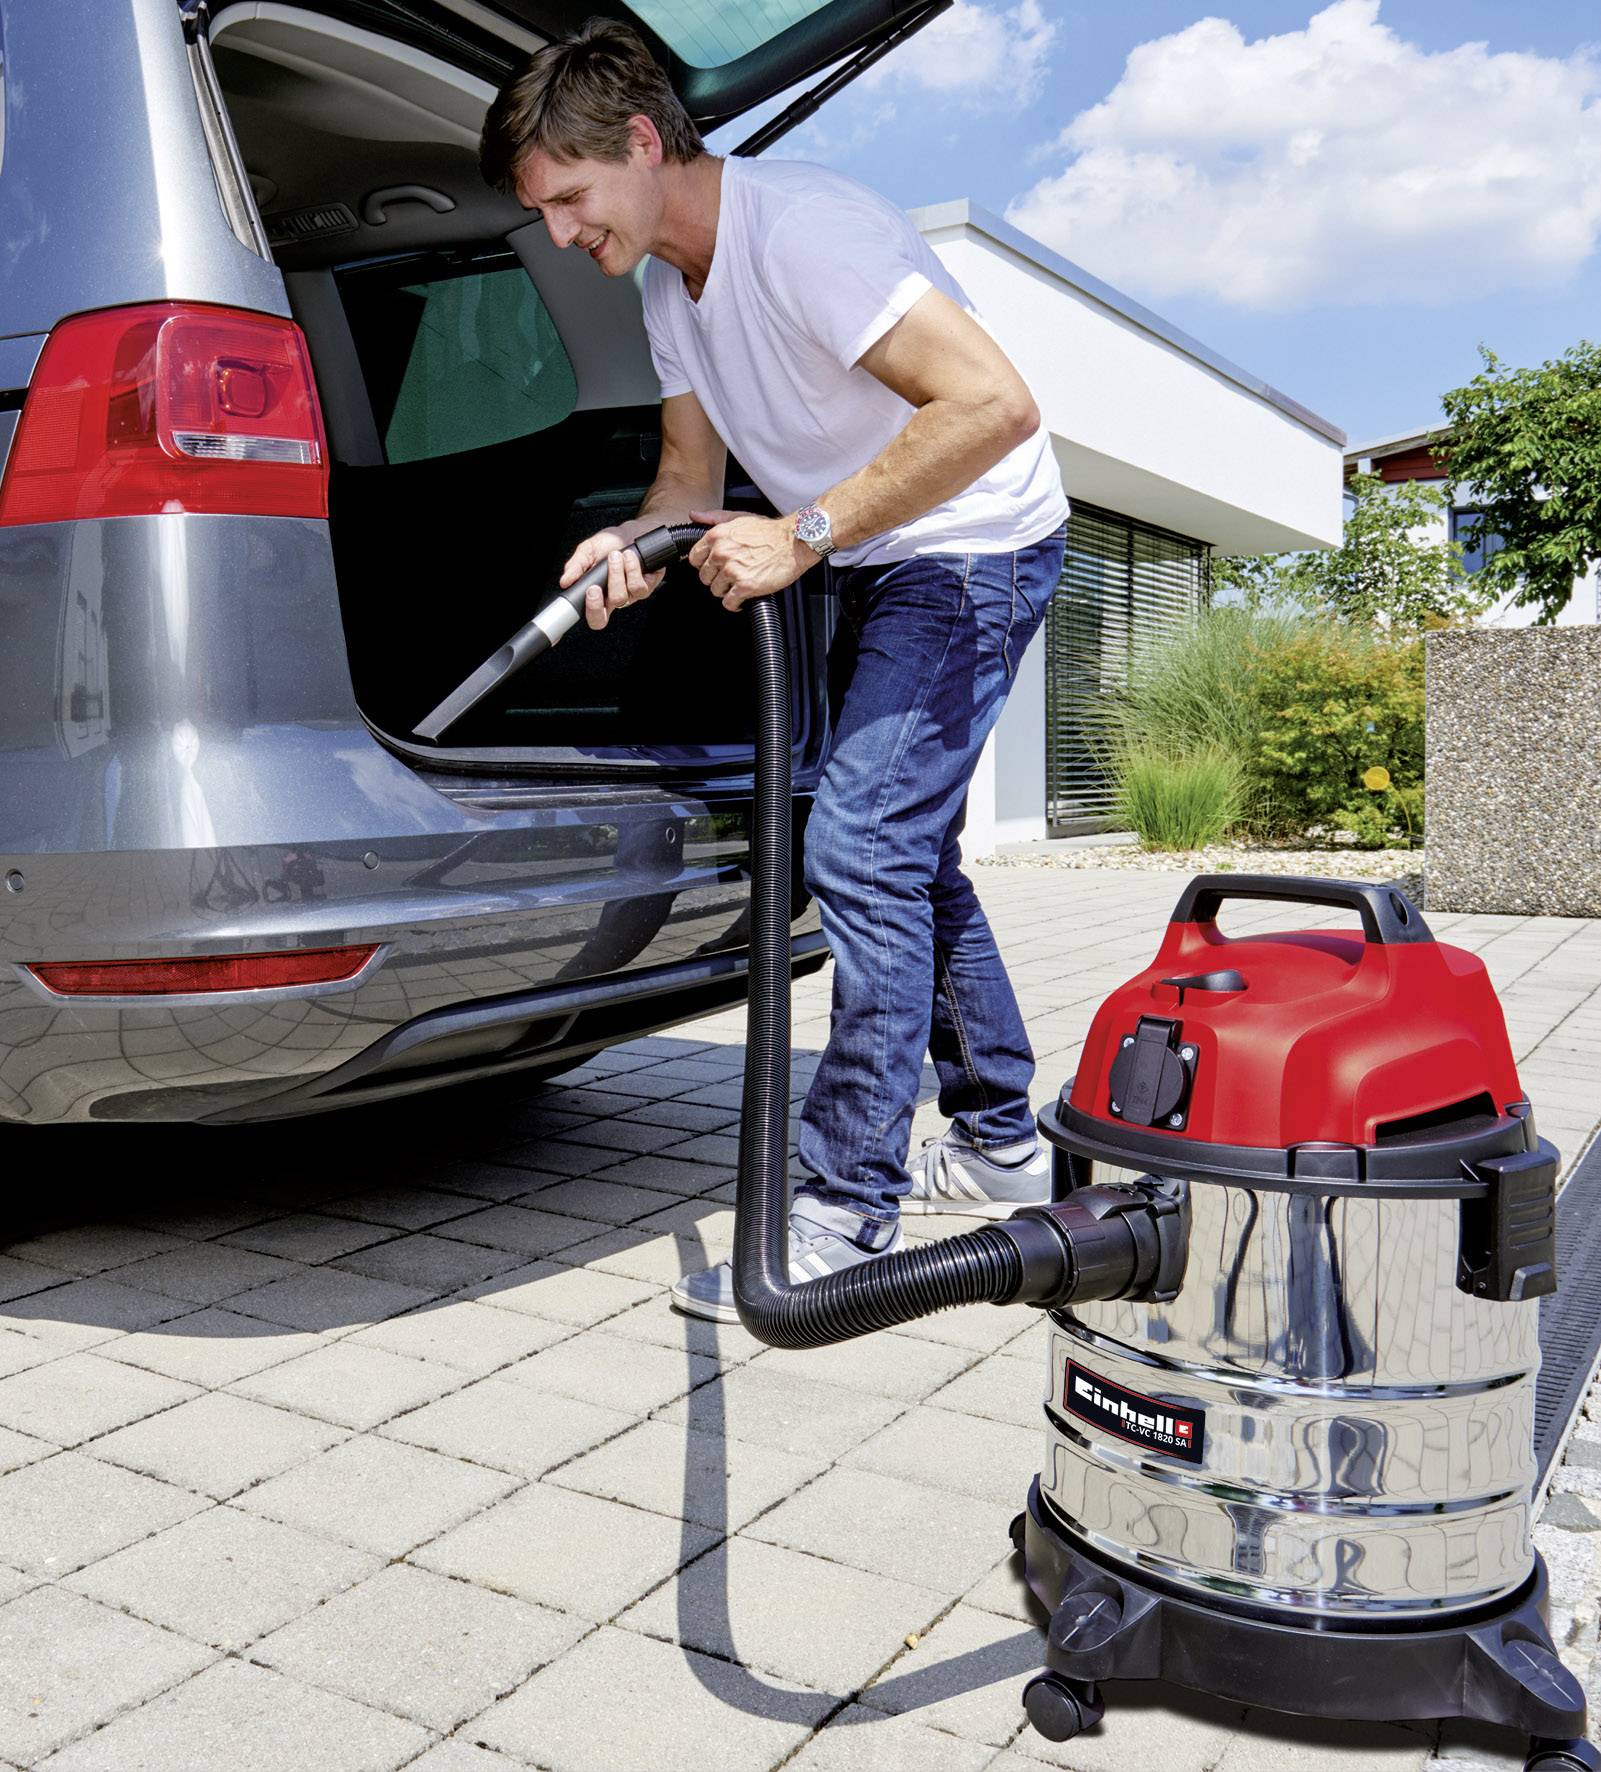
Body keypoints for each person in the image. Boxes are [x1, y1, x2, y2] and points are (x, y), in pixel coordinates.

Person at [480, 20, 1069, 1322]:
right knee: (907, 849)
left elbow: (991, 406)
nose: (565, 234)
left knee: (858, 845)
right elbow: (688, 483)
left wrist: (802, 533)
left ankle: (848, 1206)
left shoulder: (805, 232)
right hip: (879, 555)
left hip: (971, 543)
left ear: (641, 143)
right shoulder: (665, 292)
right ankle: (1001, 1144)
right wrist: (629, 539)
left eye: (571, 199)